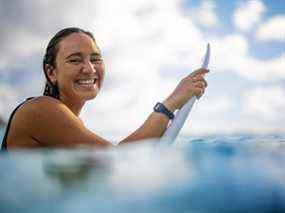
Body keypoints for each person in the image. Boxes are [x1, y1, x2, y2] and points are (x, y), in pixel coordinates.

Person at [1, 27, 208, 150]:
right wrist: (170, 104)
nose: (89, 68)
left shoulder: (72, 123)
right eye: (74, 60)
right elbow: (117, 163)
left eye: (95, 58)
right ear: (51, 72)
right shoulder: (40, 110)